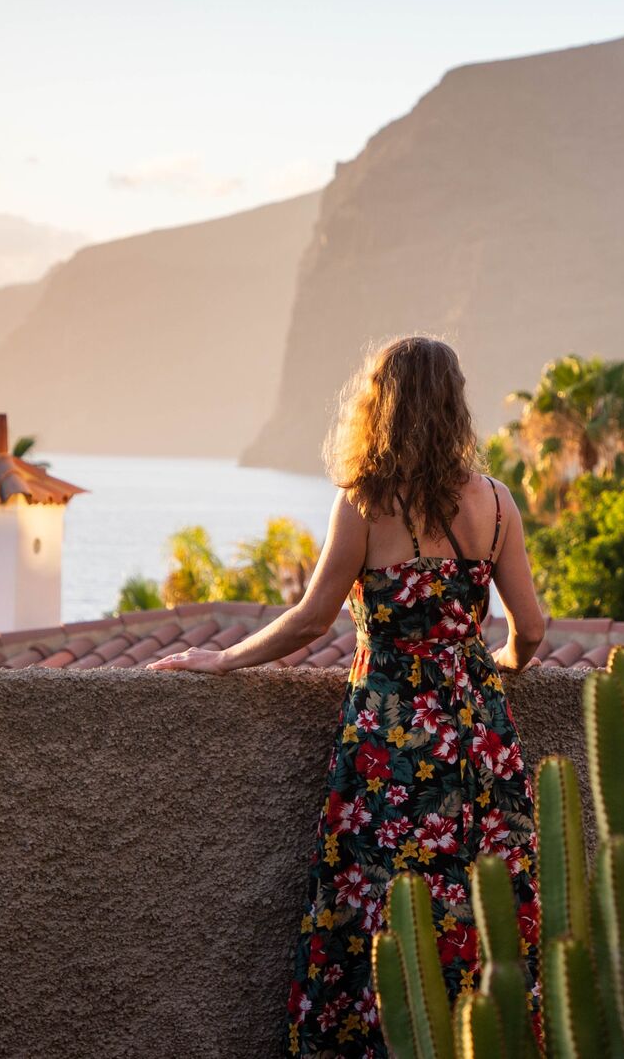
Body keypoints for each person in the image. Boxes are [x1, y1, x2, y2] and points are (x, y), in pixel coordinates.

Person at [150, 335, 547, 1057]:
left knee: (381, 916)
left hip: (389, 744)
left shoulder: (365, 504)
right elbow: (534, 628)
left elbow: (308, 619)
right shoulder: (496, 504)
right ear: (454, 403)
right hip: (476, 742)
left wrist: (224, 659)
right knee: (478, 908)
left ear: (380, 405)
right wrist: (497, 667)